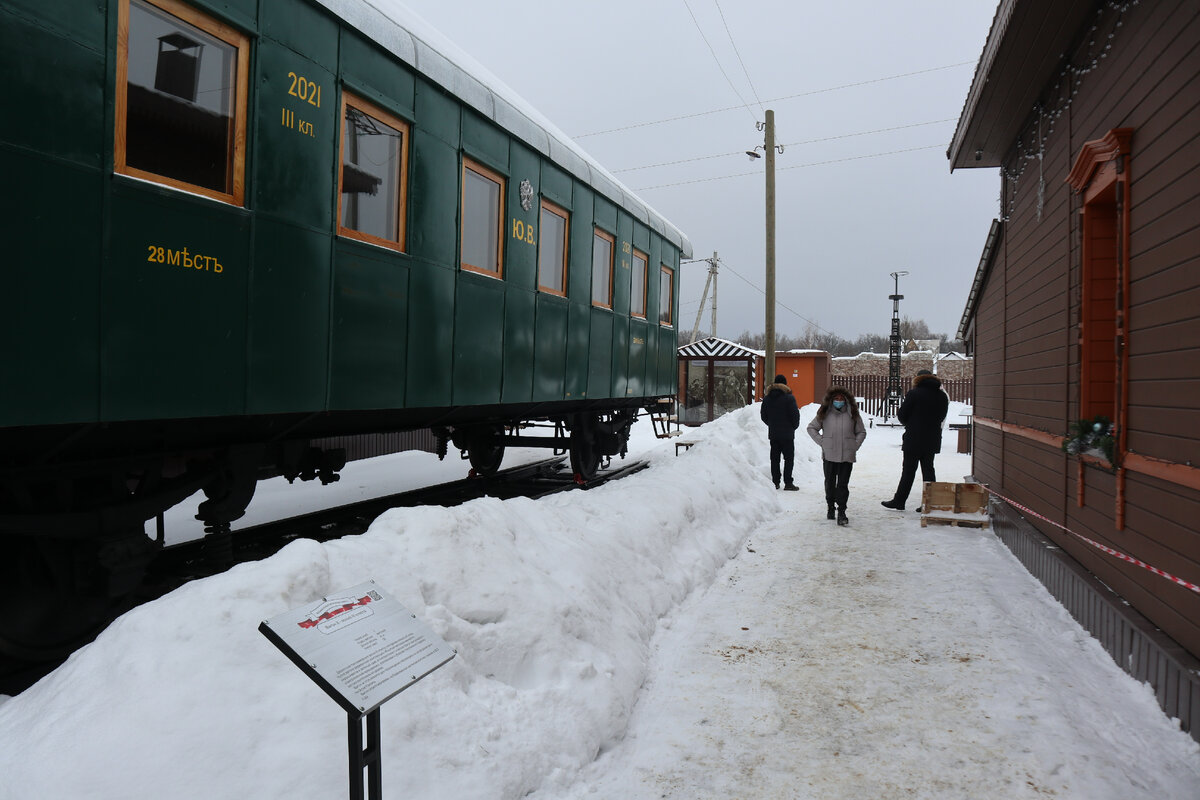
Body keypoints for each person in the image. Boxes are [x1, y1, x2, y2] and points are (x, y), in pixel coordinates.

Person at [881, 369, 949, 511]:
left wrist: (911, 424)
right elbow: (942, 417)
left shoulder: (914, 394)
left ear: (918, 379)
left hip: (914, 439)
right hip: (932, 439)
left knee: (908, 471)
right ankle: (929, 503)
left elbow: (902, 415)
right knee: (929, 470)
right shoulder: (942, 396)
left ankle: (899, 501)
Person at [806, 386, 867, 525]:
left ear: (846, 400)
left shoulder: (853, 414)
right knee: (830, 483)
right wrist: (823, 442)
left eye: (841, 399)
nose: (839, 401)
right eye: (836, 399)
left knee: (843, 485)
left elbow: (861, 432)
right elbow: (811, 428)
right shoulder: (824, 413)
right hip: (829, 455)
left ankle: (842, 512)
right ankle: (830, 507)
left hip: (847, 456)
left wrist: (854, 445)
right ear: (831, 400)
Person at [760, 374, 800, 490]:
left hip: (773, 434)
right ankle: (788, 483)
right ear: (785, 384)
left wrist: (772, 424)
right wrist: (793, 427)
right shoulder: (789, 398)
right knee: (788, 458)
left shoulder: (767, 398)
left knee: (775, 459)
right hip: (787, 435)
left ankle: (775, 482)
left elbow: (763, 416)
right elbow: (795, 416)